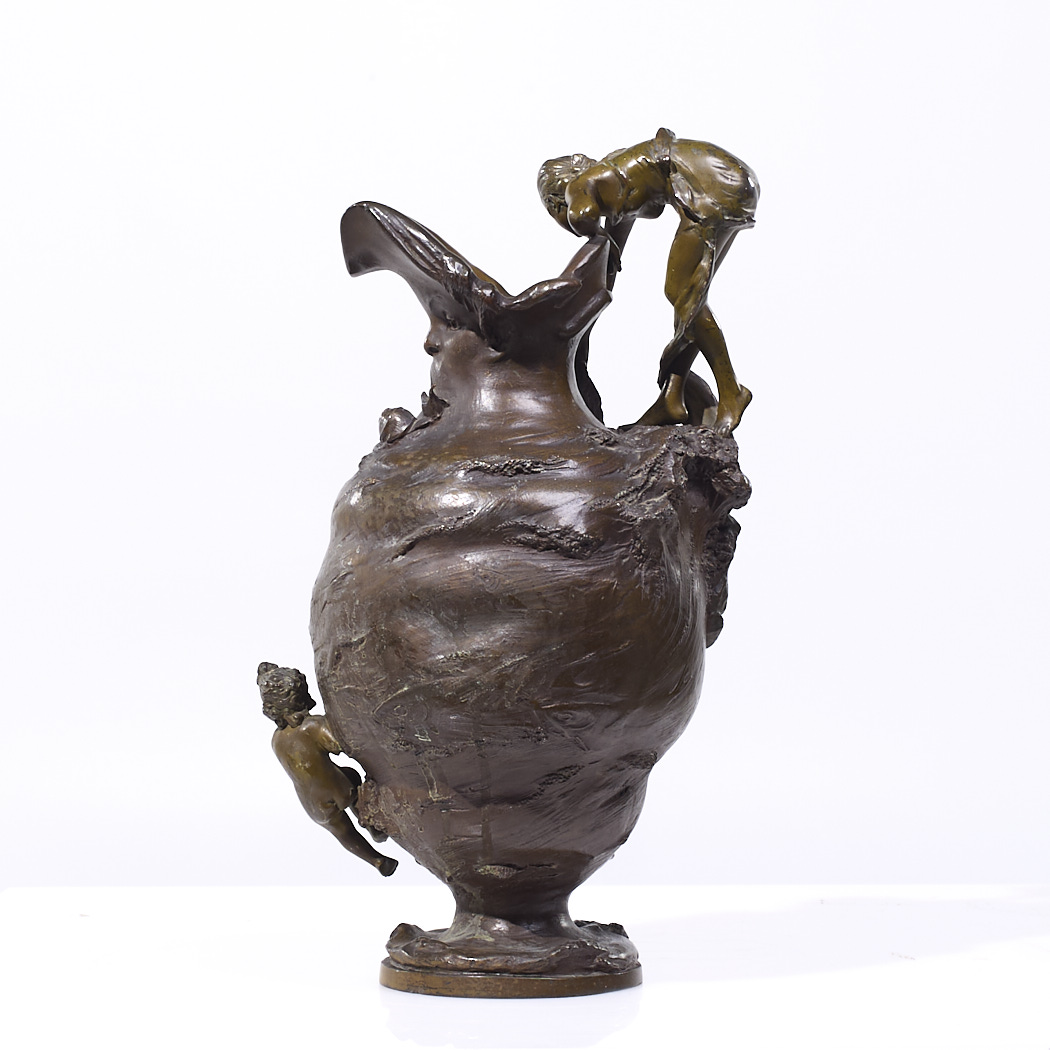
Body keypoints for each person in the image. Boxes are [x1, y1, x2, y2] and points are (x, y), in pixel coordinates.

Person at [537, 128, 758, 432]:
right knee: (690, 299)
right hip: (733, 180)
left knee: (682, 294)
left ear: (556, 200)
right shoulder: (614, 183)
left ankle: (732, 392)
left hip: (710, 184)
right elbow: (607, 268)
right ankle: (672, 398)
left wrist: (581, 225)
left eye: (554, 211)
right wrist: (582, 325)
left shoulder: (581, 186)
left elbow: (582, 216)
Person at [257, 662, 397, 876]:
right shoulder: (312, 727)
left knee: (342, 832)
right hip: (339, 790)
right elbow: (340, 744)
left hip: (312, 805)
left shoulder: (276, 740)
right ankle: (372, 825)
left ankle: (378, 860)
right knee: (352, 777)